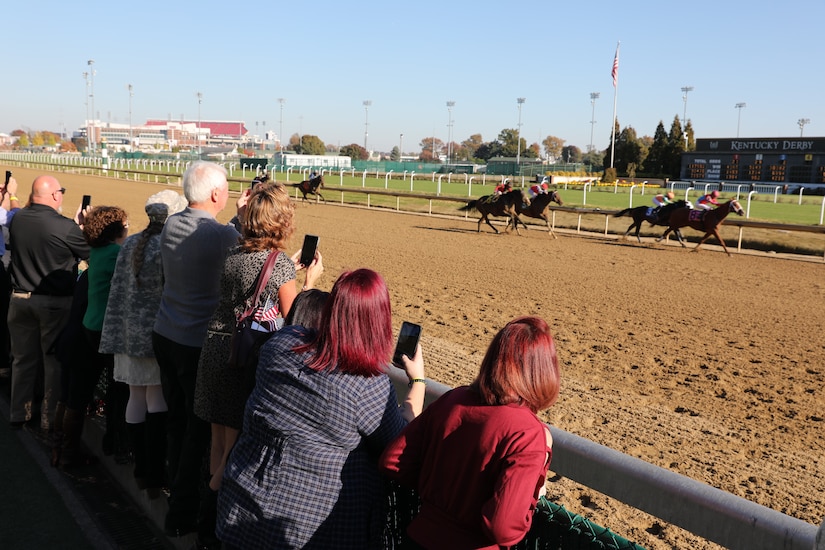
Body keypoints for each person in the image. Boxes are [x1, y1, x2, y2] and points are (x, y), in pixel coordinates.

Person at [217, 268, 426, 550]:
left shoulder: (281, 344)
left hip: (243, 506)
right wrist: (418, 381)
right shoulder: (367, 384)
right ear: (378, 321)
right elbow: (398, 444)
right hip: (308, 529)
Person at [379, 316, 561, 550]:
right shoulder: (529, 433)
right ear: (544, 371)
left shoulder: (454, 399)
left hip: (417, 538)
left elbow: (393, 461)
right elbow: (503, 527)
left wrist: (439, 493)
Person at [194, 182, 322, 497]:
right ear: (283, 220)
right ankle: (215, 517)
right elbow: (295, 318)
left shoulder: (234, 250)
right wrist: (309, 282)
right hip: (245, 357)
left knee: (218, 441)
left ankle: (205, 520)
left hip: (216, 346)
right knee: (235, 449)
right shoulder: (277, 263)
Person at [151, 161, 245, 538]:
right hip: (194, 344)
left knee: (177, 422)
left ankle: (176, 495)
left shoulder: (173, 223)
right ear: (217, 194)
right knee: (197, 433)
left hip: (165, 334)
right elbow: (241, 256)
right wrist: (240, 220)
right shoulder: (221, 235)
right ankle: (184, 515)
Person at [99, 190, 188, 497]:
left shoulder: (131, 244)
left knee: (135, 399)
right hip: (154, 338)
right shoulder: (170, 246)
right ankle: (154, 474)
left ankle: (140, 470)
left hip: (125, 336)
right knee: (157, 402)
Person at [7, 175, 90, 432]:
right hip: (53, 304)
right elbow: (90, 253)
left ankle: (19, 412)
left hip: (19, 300)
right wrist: (81, 229)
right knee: (53, 363)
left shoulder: (18, 218)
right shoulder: (65, 227)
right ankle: (49, 418)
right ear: (55, 195)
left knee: (22, 360)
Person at [81, 206, 131, 463]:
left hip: (91, 324)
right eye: (126, 223)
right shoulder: (115, 253)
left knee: (97, 384)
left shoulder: (98, 250)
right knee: (119, 388)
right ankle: (116, 442)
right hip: (106, 329)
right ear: (116, 229)